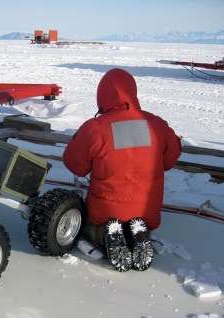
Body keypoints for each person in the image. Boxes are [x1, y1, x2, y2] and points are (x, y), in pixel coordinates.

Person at [63, 68, 181, 272]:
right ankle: (140, 232)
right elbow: (171, 159)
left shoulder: (95, 128)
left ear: (102, 96)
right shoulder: (157, 125)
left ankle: (104, 234)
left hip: (105, 211)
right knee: (142, 222)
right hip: (147, 211)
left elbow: (75, 165)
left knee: (85, 225)